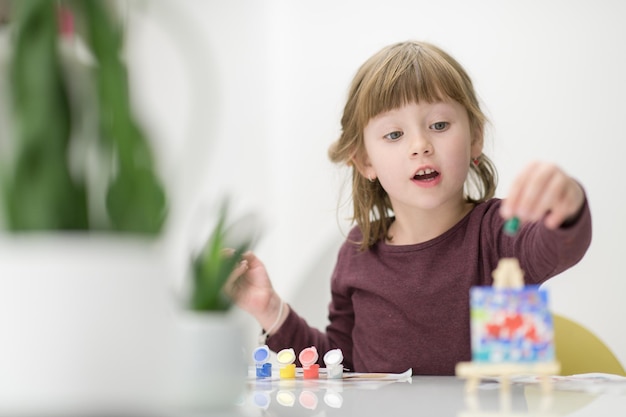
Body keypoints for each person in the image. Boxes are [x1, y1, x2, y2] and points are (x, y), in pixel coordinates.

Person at [225, 40, 592, 375]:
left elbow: (558, 244)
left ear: (475, 137)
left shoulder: (500, 233)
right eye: (394, 134)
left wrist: (567, 205)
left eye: (439, 124)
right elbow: (339, 366)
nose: (420, 144)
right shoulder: (357, 253)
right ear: (364, 160)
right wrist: (271, 311)